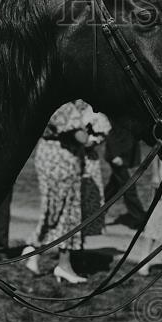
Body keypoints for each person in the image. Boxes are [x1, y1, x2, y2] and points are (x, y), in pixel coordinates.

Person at [24, 101, 104, 284]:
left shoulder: (54, 104)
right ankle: (62, 265)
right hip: (61, 162)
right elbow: (81, 137)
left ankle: (35, 253)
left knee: (54, 210)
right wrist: (95, 138)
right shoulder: (66, 107)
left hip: (52, 158)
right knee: (66, 213)